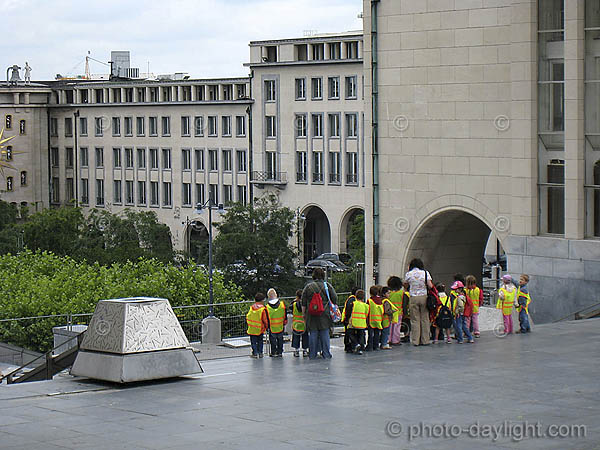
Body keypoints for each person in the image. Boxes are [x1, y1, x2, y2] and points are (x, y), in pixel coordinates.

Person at [301, 268, 337, 359]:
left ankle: (312, 354)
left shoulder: (308, 287)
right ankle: (326, 353)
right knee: (325, 333)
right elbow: (335, 298)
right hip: (325, 313)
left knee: (313, 333)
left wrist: (303, 314)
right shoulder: (327, 286)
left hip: (311, 314)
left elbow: (303, 302)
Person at [404, 258, 433, 346]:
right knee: (424, 319)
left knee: (415, 319)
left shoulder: (409, 274)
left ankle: (415, 341)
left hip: (413, 297)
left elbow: (405, 284)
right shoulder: (425, 273)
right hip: (424, 296)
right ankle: (425, 340)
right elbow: (430, 285)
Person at [246, 292, 268, 358]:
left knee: (253, 342)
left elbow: (248, 316)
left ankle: (255, 353)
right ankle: (260, 353)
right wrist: (267, 326)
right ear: (262, 300)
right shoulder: (262, 309)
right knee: (260, 341)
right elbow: (265, 319)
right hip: (259, 328)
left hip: (252, 328)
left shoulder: (252, 307)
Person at [266, 288, 287, 357]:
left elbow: (266, 318)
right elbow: (285, 314)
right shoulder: (282, 304)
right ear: (276, 295)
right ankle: (280, 352)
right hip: (280, 325)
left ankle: (273, 352)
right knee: (280, 339)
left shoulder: (267, 307)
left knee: (273, 340)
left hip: (272, 327)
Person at [345, 290, 368, 354]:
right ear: (363, 298)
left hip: (353, 322)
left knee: (350, 333)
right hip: (362, 323)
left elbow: (348, 312)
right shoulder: (366, 305)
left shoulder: (353, 304)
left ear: (356, 296)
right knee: (361, 335)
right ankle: (360, 348)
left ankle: (355, 344)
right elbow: (366, 314)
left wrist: (346, 319)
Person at [291, 289, 309, 357]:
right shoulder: (305, 304)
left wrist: (294, 301)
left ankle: (296, 350)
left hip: (296, 324)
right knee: (305, 337)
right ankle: (305, 350)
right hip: (304, 323)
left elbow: (290, 307)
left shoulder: (294, 304)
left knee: (296, 337)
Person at [387, 276, 404, 345]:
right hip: (398, 312)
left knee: (389, 326)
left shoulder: (389, 293)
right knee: (397, 327)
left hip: (390, 312)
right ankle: (396, 340)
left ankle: (388, 339)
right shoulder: (401, 293)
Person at [367, 285, 383, 351]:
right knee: (377, 333)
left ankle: (370, 346)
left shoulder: (370, 301)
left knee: (371, 334)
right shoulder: (380, 300)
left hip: (371, 319)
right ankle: (376, 346)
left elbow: (367, 310)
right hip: (378, 319)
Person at [342, 288, 358, 352]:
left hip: (347, 318)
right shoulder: (352, 299)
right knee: (349, 333)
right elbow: (349, 310)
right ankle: (348, 347)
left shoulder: (351, 299)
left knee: (348, 332)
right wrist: (347, 319)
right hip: (348, 319)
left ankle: (349, 346)